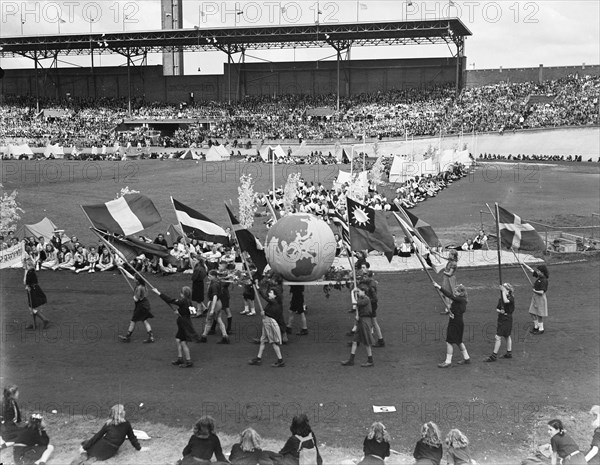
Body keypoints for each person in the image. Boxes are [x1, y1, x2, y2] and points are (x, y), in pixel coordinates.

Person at [74, 404, 144, 462]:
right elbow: (132, 437)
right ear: (121, 414)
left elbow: (97, 436)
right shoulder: (126, 424)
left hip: (103, 446)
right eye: (123, 410)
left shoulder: (109, 423)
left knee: (86, 444)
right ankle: (87, 454)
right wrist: (139, 448)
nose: (125, 411)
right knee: (89, 449)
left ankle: (84, 453)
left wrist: (84, 447)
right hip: (109, 451)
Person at [152, 285, 196, 368]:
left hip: (183, 324)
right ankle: (180, 358)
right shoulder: (189, 302)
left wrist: (158, 293)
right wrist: (179, 311)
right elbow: (193, 312)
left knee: (183, 342)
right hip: (185, 322)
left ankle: (188, 361)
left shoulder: (182, 301)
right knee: (178, 339)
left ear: (183, 294)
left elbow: (169, 300)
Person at [433, 281, 471, 368]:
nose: (455, 293)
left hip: (455, 323)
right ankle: (467, 358)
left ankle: (448, 361)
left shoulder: (459, 299)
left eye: (456, 292)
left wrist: (439, 287)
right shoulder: (462, 300)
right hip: (458, 321)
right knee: (459, 341)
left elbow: (449, 296)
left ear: (461, 293)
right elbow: (458, 310)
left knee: (449, 342)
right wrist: (451, 312)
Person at [249, 287, 285, 367]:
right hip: (267, 322)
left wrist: (258, 289)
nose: (269, 294)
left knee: (274, 343)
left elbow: (265, 299)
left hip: (270, 323)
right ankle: (258, 358)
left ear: (275, 296)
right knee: (262, 340)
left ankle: (280, 360)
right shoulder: (274, 303)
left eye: (271, 293)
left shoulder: (274, 303)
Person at [342, 287, 375, 367]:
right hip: (361, 321)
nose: (358, 292)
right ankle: (351, 360)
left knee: (366, 342)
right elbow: (356, 307)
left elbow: (354, 303)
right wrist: (357, 315)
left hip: (365, 321)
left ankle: (370, 360)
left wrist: (352, 293)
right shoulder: (362, 298)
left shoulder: (366, 299)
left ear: (363, 291)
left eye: (359, 291)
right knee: (354, 341)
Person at [484, 283, 515, 362]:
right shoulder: (501, 299)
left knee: (498, 337)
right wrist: (500, 311)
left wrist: (503, 292)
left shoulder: (511, 298)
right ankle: (509, 353)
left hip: (507, 318)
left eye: (504, 289)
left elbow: (506, 300)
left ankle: (494, 355)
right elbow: (497, 308)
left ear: (508, 290)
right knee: (506, 336)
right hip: (501, 318)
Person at [118, 276, 155, 343]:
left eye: (135, 279)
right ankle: (151, 337)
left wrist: (134, 296)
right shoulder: (143, 285)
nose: (133, 279)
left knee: (133, 321)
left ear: (137, 280)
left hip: (141, 306)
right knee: (144, 320)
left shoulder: (139, 288)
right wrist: (122, 268)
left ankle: (127, 337)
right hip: (145, 304)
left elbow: (136, 299)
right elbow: (130, 276)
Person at [199, 271, 230, 344]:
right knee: (219, 320)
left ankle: (204, 336)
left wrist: (212, 309)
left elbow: (215, 296)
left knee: (208, 320)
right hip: (219, 303)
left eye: (209, 276)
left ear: (214, 276)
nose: (208, 277)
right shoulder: (217, 281)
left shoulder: (214, 285)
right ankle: (225, 336)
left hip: (215, 303)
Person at [523, 264, 549, 335]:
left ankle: (541, 329)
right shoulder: (540, 277)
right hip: (535, 297)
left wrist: (534, 290)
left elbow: (541, 292)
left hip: (540, 298)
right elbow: (531, 270)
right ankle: (536, 326)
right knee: (532, 312)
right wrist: (523, 264)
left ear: (542, 272)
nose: (537, 272)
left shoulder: (544, 280)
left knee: (539, 314)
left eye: (538, 271)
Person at [24, 259, 50, 330]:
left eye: (25, 265)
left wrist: (28, 285)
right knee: (32, 307)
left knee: (31, 307)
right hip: (33, 289)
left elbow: (26, 282)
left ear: (28, 265)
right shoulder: (31, 271)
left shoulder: (30, 272)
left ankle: (44, 319)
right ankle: (34, 323)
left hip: (32, 290)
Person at [439, 250, 458, 314]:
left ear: (453, 255)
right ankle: (451, 306)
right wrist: (435, 253)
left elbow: (450, 274)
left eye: (450, 254)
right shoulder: (451, 260)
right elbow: (442, 256)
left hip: (449, 279)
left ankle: (448, 308)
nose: (448, 255)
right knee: (447, 293)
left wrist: (443, 271)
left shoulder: (453, 263)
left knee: (446, 293)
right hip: (447, 279)